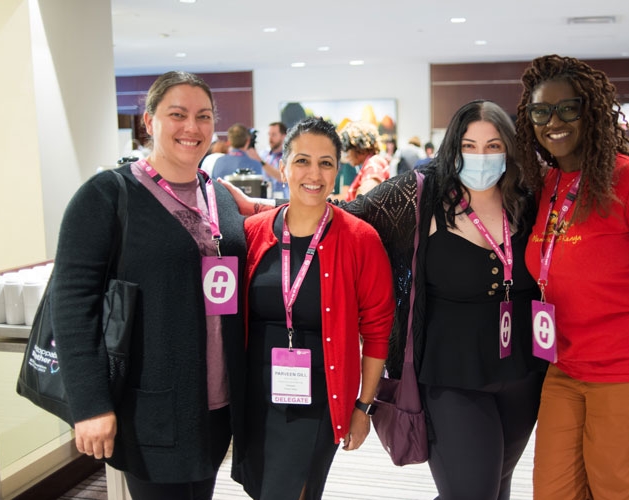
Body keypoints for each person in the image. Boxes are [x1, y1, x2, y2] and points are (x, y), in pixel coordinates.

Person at [220, 100, 547, 500]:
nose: (481, 157)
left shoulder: (529, 201)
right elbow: (342, 211)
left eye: (493, 146)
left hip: (520, 371)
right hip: (450, 371)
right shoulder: (422, 194)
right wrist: (262, 210)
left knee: (498, 485)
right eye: (468, 145)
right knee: (471, 490)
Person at [50, 71, 247, 499]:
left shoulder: (221, 197)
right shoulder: (107, 196)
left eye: (203, 116)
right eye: (177, 114)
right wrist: (90, 404)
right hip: (150, 406)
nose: (191, 127)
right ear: (149, 121)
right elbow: (71, 305)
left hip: (215, 405)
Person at [515, 54, 629, 500]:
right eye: (541, 111)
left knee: (619, 490)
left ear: (590, 111)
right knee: (551, 490)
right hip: (563, 370)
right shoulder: (548, 186)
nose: (552, 122)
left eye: (567, 109)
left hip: (626, 378)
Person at [231, 117, 394, 500]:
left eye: (326, 162)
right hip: (256, 393)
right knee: (263, 488)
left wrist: (363, 407)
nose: (314, 173)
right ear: (283, 165)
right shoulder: (253, 232)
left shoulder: (360, 239)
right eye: (302, 160)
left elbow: (377, 330)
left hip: (320, 393)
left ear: (339, 169)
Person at [339, 121, 390, 200]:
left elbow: (364, 200)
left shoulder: (373, 163)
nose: (346, 155)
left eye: (348, 149)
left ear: (358, 147)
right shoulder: (371, 162)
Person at [260, 121, 289, 198]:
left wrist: (261, 162)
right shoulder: (263, 155)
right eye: (269, 134)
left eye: (274, 135)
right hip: (266, 200)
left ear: (283, 136)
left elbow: (283, 177)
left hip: (283, 201)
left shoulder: (289, 156)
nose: (270, 138)